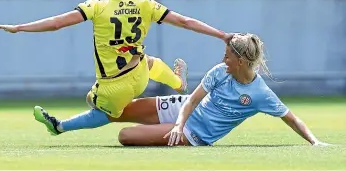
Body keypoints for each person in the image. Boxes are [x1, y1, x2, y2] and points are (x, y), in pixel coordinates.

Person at [0, 0, 232, 136]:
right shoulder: (147, 5)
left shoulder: (98, 5)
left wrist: (20, 27)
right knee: (146, 60)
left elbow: (56, 24)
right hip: (139, 76)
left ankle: (59, 126)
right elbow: (186, 22)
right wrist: (222, 35)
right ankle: (178, 83)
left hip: (114, 84)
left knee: (98, 107)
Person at [109, 33, 330, 147]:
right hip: (183, 111)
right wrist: (178, 123)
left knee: (125, 135)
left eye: (227, 57)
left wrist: (314, 141)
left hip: (194, 134)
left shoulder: (260, 94)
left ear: (241, 61)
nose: (223, 59)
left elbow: (291, 118)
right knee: (114, 111)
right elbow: (193, 101)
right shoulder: (219, 71)